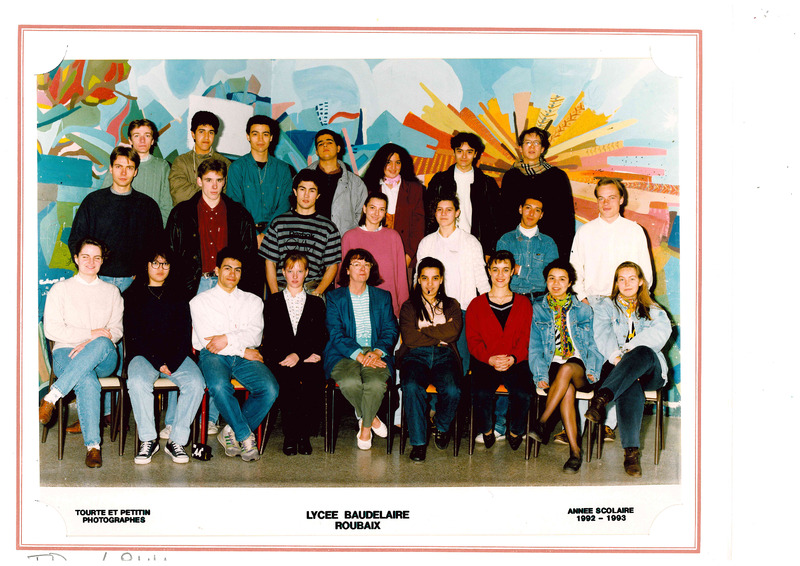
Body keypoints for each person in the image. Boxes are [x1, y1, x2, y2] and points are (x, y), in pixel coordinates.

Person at [569, 177, 654, 442]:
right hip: (593, 302)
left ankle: (609, 423)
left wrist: (634, 302)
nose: (606, 203)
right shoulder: (585, 232)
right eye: (601, 198)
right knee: (589, 360)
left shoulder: (634, 231)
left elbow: (645, 272)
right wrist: (582, 297)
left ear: (621, 199)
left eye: (612, 197)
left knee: (619, 360)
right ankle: (580, 424)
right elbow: (575, 268)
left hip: (624, 303)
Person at [40, 237, 123, 468]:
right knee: (86, 379)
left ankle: (52, 397)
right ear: (76, 258)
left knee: (103, 342)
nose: (91, 262)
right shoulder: (60, 289)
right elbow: (51, 330)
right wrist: (90, 333)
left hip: (103, 356)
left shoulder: (112, 291)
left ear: (102, 261)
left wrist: (89, 342)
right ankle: (93, 447)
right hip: (66, 354)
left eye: (97, 257)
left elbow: (116, 331)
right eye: (85, 256)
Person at [190, 247, 279, 462]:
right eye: (227, 268)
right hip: (214, 357)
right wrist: (241, 348)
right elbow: (210, 343)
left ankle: (231, 430)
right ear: (217, 270)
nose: (232, 274)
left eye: (237, 270)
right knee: (219, 386)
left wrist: (227, 339)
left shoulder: (253, 301)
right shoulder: (199, 302)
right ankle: (245, 437)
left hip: (244, 358)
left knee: (270, 388)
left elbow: (254, 335)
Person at [585, 261, 672, 477]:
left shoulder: (654, 309)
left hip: (650, 370)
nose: (627, 283)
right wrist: (616, 356)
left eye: (632, 278)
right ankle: (631, 454)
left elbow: (660, 334)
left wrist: (627, 351)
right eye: (621, 279)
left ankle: (601, 398)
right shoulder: (606, 306)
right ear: (616, 283)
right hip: (617, 367)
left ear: (641, 281)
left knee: (641, 351)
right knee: (629, 383)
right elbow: (602, 333)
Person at [123, 247, 204, 465]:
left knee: (196, 383)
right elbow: (134, 336)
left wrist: (173, 361)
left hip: (175, 356)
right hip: (143, 356)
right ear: (146, 265)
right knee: (137, 382)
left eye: (165, 264)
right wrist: (158, 362)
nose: (160, 268)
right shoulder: (131, 295)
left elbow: (184, 333)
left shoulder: (180, 294)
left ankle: (176, 441)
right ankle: (149, 440)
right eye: (155, 263)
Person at [527, 258, 604, 473]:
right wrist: (540, 375)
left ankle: (542, 422)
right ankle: (575, 453)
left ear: (570, 283)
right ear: (546, 281)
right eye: (551, 278)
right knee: (566, 389)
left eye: (562, 279)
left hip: (581, 366)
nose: (556, 283)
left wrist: (593, 370)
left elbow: (594, 346)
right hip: (552, 364)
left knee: (568, 368)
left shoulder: (583, 310)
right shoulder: (538, 309)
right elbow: (535, 348)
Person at [323, 248, 399, 450]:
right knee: (349, 382)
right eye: (356, 264)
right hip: (343, 353)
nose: (362, 269)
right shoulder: (334, 297)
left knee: (375, 384)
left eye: (366, 264)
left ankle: (365, 429)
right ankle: (371, 419)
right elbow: (335, 333)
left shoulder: (382, 296)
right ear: (347, 270)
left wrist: (377, 351)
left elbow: (391, 329)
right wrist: (359, 355)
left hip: (375, 351)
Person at [68, 145, 164, 294]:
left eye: (129, 168)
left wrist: (143, 275)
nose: (123, 173)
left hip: (133, 282)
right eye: (119, 166)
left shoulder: (148, 206)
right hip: (97, 278)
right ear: (111, 168)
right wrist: (88, 271)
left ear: (136, 171)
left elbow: (157, 246)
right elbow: (76, 240)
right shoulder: (93, 202)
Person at [261, 252, 328, 456]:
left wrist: (300, 354)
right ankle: (290, 435)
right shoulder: (272, 302)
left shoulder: (316, 303)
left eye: (300, 271)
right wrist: (290, 356)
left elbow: (320, 335)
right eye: (290, 271)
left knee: (312, 379)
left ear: (307, 273)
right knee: (288, 381)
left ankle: (304, 435)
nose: (295, 276)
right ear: (283, 272)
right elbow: (271, 338)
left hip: (306, 357)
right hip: (281, 358)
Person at [466, 250, 533, 451]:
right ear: (489, 271)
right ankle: (487, 430)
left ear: (512, 272)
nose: (500, 275)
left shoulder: (523, 303)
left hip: (516, 361)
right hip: (487, 361)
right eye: (495, 269)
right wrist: (489, 359)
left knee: (523, 393)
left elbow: (527, 338)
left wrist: (513, 358)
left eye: (505, 270)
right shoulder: (476, 304)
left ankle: (515, 431)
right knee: (480, 392)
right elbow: (473, 340)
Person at [396, 257, 462, 462]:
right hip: (415, 355)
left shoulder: (452, 305)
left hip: (444, 355)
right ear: (419, 279)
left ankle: (441, 426)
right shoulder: (409, 306)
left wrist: (424, 329)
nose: (429, 284)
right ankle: (418, 443)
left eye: (435, 278)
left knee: (453, 390)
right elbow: (410, 338)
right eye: (425, 278)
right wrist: (440, 333)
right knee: (411, 386)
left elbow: (453, 332)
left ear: (441, 280)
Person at [416, 194, 489, 375]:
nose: (443, 214)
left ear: (457, 213)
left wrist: (487, 310)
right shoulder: (426, 242)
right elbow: (418, 279)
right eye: (439, 210)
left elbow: (481, 279)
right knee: (435, 363)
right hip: (431, 313)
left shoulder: (470, 242)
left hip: (463, 311)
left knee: (461, 363)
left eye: (449, 210)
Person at [167, 158, 260, 299]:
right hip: (192, 285)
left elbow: (249, 258)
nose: (214, 186)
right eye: (208, 180)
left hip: (228, 284)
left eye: (219, 180)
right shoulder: (181, 213)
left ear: (224, 182)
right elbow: (171, 253)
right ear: (199, 181)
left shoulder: (240, 215)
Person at [259, 169, 341, 297]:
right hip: (281, 286)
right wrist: (275, 295)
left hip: (313, 287)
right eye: (302, 189)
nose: (306, 195)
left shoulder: (328, 228)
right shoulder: (278, 223)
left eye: (312, 190)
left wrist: (317, 293)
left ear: (318, 195)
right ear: (295, 191)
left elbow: (332, 266)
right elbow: (270, 262)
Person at [500, 127, 575, 260]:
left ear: (542, 149)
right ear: (520, 148)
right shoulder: (511, 177)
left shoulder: (557, 176)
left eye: (536, 143)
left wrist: (563, 253)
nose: (532, 147)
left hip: (548, 245)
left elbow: (566, 217)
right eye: (528, 142)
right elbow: (504, 215)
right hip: (517, 245)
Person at [424, 132, 500, 259]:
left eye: (469, 152)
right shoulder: (440, 181)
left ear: (475, 154)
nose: (464, 156)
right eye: (460, 151)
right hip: (442, 244)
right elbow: (429, 215)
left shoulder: (487, 183)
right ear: (454, 152)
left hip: (475, 246)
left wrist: (488, 251)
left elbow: (494, 220)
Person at [226, 115, 293, 247]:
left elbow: (285, 204)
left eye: (265, 134)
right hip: (244, 234)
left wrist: (267, 233)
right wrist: (254, 234)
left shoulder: (283, 169)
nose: (260, 139)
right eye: (255, 134)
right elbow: (235, 204)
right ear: (248, 136)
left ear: (271, 137)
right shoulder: (237, 168)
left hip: (276, 235)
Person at [340, 193, 409, 317]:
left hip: (388, 308)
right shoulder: (349, 237)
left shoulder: (393, 237)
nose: (376, 213)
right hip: (357, 307)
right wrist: (342, 308)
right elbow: (342, 276)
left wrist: (404, 311)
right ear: (364, 208)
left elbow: (401, 277)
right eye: (372, 208)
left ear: (385, 212)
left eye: (381, 209)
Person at [361, 143, 425, 270]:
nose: (393, 167)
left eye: (398, 162)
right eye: (388, 162)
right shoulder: (367, 187)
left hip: (405, 253)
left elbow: (418, 227)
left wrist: (407, 257)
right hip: (372, 252)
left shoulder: (415, 189)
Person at [101, 119, 172, 226]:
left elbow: (167, 205)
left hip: (150, 228)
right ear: (130, 140)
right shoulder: (119, 164)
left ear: (152, 140)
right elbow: (104, 199)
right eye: (137, 136)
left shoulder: (162, 166)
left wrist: (156, 229)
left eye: (147, 135)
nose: (142, 140)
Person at [496, 192, 559, 302]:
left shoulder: (548, 243)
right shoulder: (506, 240)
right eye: (528, 208)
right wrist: (537, 274)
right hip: (511, 299)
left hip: (540, 301)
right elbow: (501, 277)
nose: (531, 213)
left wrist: (519, 270)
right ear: (520, 209)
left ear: (541, 215)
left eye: (537, 210)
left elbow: (550, 279)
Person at [303, 129, 367, 235]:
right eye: (320, 143)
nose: (325, 145)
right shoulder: (301, 179)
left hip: (341, 241)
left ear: (338, 148)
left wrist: (349, 238)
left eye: (329, 142)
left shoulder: (356, 184)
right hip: (307, 239)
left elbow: (362, 216)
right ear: (316, 151)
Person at [169, 110, 231, 205]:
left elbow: (228, 197)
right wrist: (212, 195)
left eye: (211, 132)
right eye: (201, 131)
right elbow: (179, 195)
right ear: (193, 134)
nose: (206, 137)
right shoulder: (181, 162)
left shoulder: (225, 163)